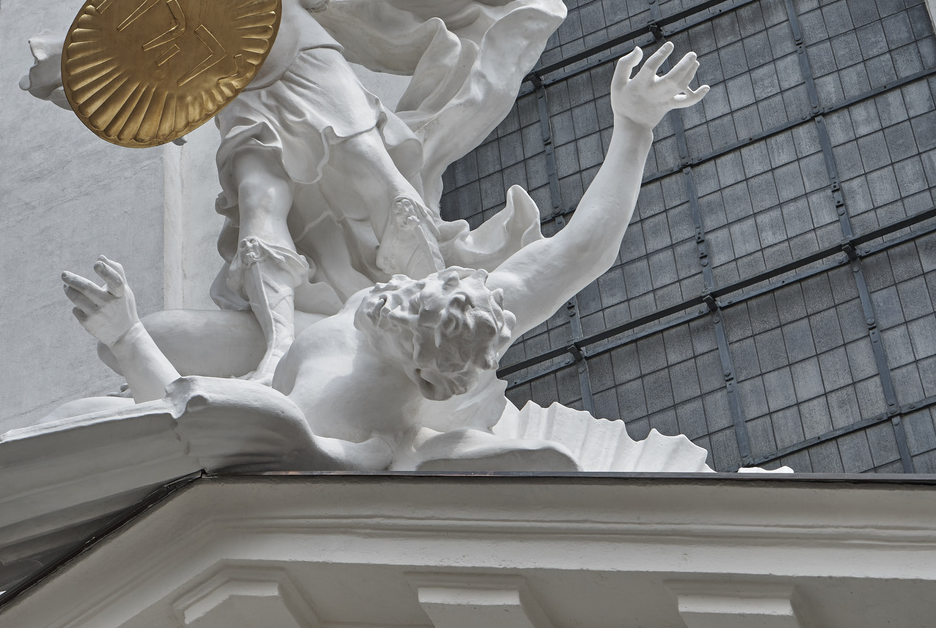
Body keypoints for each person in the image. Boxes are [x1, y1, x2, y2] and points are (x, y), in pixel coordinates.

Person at [61, 42, 708, 468]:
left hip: (283, 408)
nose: (391, 289)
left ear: (409, 354)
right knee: (167, 335)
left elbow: (201, 428)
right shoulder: (472, 308)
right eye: (416, 291)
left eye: (398, 305)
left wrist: (126, 339)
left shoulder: (343, 397)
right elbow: (581, 251)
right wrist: (633, 128)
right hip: (302, 338)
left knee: (120, 380)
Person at [29, 0, 458, 380]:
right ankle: (279, 354)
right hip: (235, 89)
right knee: (258, 201)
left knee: (366, 164)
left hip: (301, 61)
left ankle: (436, 307)